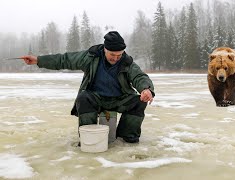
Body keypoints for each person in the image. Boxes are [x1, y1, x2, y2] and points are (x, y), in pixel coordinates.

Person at [21, 31, 155, 144]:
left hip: (119, 99)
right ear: (104, 49)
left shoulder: (127, 62)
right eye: (112, 55)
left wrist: (146, 89)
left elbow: (139, 77)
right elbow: (65, 59)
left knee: (139, 102)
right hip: (95, 98)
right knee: (83, 97)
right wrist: (38, 60)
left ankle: (125, 139)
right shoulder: (91, 56)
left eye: (119, 55)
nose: (116, 58)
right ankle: (88, 139)